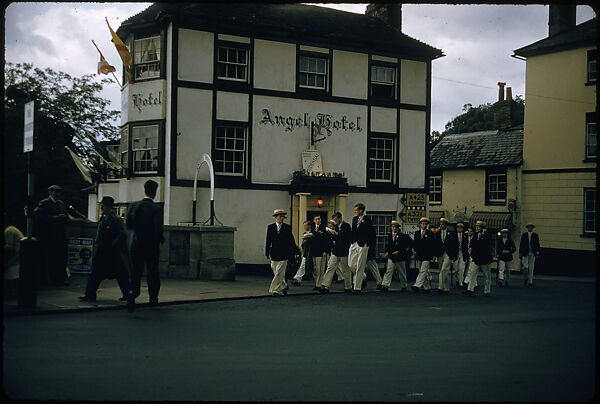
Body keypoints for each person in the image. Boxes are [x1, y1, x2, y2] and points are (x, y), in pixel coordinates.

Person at [78, 196, 130, 302]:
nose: (101, 207)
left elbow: (122, 234)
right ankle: (90, 294)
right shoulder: (103, 218)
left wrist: (114, 244)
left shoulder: (115, 219)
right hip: (103, 249)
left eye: (103, 205)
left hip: (112, 250)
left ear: (108, 206)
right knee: (97, 273)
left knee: (120, 273)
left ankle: (127, 294)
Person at [126, 179, 164, 311]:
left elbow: (128, 225)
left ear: (145, 190)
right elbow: (157, 228)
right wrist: (160, 239)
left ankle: (132, 295)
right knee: (152, 272)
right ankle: (153, 297)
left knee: (135, 272)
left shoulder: (133, 206)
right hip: (151, 245)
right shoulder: (156, 209)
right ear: (155, 192)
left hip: (136, 244)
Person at [33, 185, 76, 287]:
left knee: (60, 259)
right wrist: (55, 218)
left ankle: (59, 279)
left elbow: (66, 216)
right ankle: (48, 280)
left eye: (58, 192)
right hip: (49, 236)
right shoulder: (44, 203)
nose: (57, 194)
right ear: (50, 192)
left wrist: (65, 217)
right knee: (48, 259)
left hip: (60, 235)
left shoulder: (61, 203)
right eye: (55, 192)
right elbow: (38, 216)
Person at [265, 209, 299, 296]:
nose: (282, 219)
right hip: (274, 253)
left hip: (284, 253)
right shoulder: (270, 227)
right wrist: (267, 252)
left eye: (283, 217)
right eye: (280, 217)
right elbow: (268, 240)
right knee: (277, 271)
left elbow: (291, 240)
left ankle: (275, 290)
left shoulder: (287, 227)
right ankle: (284, 286)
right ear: (276, 218)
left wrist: (296, 250)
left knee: (279, 271)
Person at [320, 212, 353, 293]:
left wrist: (336, 232)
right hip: (336, 250)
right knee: (330, 267)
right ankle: (325, 285)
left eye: (335, 219)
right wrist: (332, 233)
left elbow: (345, 237)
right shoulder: (336, 227)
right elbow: (335, 237)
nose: (335, 221)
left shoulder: (346, 226)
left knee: (345, 269)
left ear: (339, 218)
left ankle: (348, 286)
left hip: (344, 250)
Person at [348, 203, 375, 294]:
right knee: (351, 264)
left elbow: (371, 233)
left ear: (360, 210)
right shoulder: (354, 219)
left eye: (356, 210)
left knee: (360, 265)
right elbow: (353, 231)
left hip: (363, 244)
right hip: (354, 243)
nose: (355, 211)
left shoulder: (367, 220)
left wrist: (367, 243)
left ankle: (357, 287)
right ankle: (363, 276)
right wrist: (352, 241)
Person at [381, 220, 412, 292]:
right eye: (393, 227)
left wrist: (400, 251)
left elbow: (407, 245)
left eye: (396, 227)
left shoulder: (403, 236)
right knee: (389, 270)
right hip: (391, 256)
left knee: (402, 272)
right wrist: (387, 252)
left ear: (398, 228)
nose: (394, 228)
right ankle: (385, 285)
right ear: (391, 227)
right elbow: (389, 245)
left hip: (400, 257)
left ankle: (404, 285)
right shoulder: (389, 236)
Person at [463, 221, 493, 297]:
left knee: (486, 275)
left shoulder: (487, 235)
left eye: (478, 227)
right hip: (476, 258)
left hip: (485, 259)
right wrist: (471, 251)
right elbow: (472, 244)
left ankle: (487, 291)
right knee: (473, 273)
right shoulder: (476, 235)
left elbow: (487, 245)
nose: (476, 228)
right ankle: (470, 289)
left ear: (482, 228)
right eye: (476, 226)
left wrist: (484, 234)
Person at [411, 217, 436, 292]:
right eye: (423, 224)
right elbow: (415, 244)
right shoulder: (417, 233)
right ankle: (427, 286)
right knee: (422, 271)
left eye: (426, 224)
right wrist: (414, 251)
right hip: (419, 255)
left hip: (427, 255)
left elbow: (433, 245)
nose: (424, 225)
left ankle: (417, 285)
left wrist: (434, 255)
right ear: (420, 225)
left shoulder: (430, 233)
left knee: (423, 270)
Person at [435, 217, 458, 294]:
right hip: (440, 253)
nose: (441, 226)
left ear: (446, 225)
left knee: (444, 269)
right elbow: (436, 244)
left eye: (443, 224)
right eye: (440, 224)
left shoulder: (451, 233)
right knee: (442, 270)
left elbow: (455, 245)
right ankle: (446, 287)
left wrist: (455, 255)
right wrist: (435, 254)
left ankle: (440, 287)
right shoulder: (437, 233)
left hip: (448, 254)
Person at [291, 220, 315, 286]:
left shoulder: (313, 233)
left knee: (313, 267)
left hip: (311, 253)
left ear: (309, 225)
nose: (304, 227)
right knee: (302, 266)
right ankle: (297, 279)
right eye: (304, 225)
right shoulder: (305, 233)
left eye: (305, 225)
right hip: (305, 253)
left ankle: (318, 282)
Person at [4, 221, 24, 297]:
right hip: (19, 253)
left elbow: (9, 247)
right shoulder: (11, 229)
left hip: (18, 254)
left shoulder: (8, 230)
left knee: (9, 269)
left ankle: (12, 291)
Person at [311, 214, 331, 291]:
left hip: (321, 251)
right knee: (315, 268)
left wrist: (325, 251)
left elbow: (326, 240)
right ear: (314, 220)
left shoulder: (324, 228)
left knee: (320, 269)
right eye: (316, 219)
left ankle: (318, 284)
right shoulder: (313, 228)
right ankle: (317, 282)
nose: (318, 220)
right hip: (314, 250)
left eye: (319, 219)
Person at [519, 223, 540, 287]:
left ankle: (530, 281)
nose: (530, 228)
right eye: (529, 227)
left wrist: (537, 251)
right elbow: (521, 244)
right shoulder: (524, 235)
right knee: (525, 267)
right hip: (525, 252)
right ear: (527, 228)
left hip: (532, 252)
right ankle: (526, 277)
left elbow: (537, 244)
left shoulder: (535, 235)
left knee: (531, 267)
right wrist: (520, 253)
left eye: (531, 227)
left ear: (532, 228)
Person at [455, 223, 469, 287]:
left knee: (461, 268)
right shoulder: (453, 235)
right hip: (456, 253)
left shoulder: (465, 236)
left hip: (462, 253)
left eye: (460, 228)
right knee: (456, 268)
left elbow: (467, 245)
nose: (459, 229)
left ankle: (461, 281)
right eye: (458, 228)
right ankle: (457, 278)